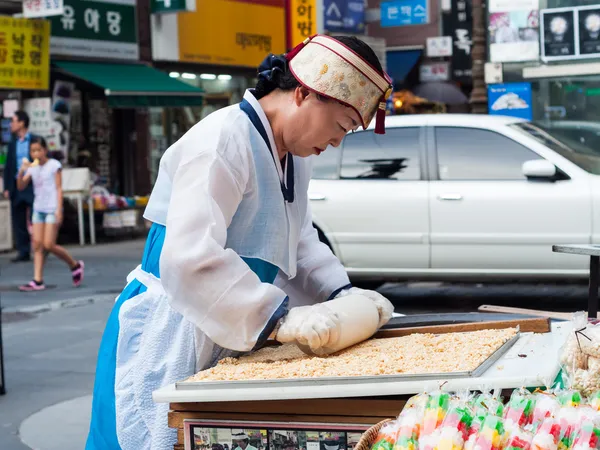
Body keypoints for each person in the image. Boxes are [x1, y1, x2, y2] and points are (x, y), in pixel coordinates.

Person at [85, 34, 395, 450]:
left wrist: (342, 294)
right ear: (304, 93)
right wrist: (277, 318)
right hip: (176, 323)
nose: (338, 142)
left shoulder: (294, 159)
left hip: (236, 324)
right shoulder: (222, 138)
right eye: (340, 126)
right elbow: (190, 256)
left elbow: (297, 241)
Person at [16, 136, 84, 291]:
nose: (36, 154)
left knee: (48, 244)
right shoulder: (32, 168)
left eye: (38, 150)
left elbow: (59, 188)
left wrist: (59, 209)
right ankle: (37, 280)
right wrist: (21, 171)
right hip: (38, 208)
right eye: (33, 151)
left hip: (52, 208)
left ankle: (75, 265)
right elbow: (21, 186)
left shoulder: (54, 165)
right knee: (37, 245)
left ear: (45, 150)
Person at [3, 110, 36, 262]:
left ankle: (42, 246)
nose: (11, 124)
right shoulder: (12, 143)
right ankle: (23, 251)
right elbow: (9, 166)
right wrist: (7, 188)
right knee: (18, 219)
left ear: (22, 123)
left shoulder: (35, 140)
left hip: (33, 184)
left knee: (35, 217)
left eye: (14, 121)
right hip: (17, 185)